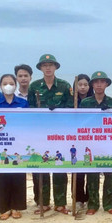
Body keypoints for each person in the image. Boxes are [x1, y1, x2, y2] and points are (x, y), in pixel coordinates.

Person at [27, 54, 73, 214]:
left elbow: (71, 108)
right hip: (40, 133)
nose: (48, 68)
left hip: (60, 133)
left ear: (55, 67)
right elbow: (30, 109)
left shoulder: (65, 85)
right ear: (40, 68)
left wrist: (58, 111)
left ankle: (60, 203)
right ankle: (43, 203)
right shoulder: (34, 87)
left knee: (59, 167)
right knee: (41, 167)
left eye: (51, 65)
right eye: (44, 65)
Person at [79, 72, 112, 215]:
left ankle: (109, 205)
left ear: (106, 84)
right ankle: (93, 205)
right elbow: (81, 122)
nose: (99, 85)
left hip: (108, 144)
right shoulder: (85, 103)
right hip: (90, 143)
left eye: (102, 82)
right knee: (92, 176)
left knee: (109, 175)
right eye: (96, 82)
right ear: (92, 85)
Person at [0, 74, 29, 220]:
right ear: (0, 86)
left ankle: (16, 207)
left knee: (18, 174)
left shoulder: (22, 103)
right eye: (5, 83)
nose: (8, 86)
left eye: (11, 83)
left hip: (18, 143)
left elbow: (28, 121)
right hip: (0, 143)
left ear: (15, 85)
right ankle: (4, 207)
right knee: (1, 175)